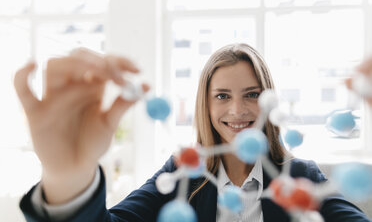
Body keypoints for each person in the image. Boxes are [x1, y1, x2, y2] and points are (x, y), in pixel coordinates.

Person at [14, 45, 371, 222]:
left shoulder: (300, 177)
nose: (237, 111)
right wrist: (67, 178)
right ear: (206, 105)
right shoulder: (182, 174)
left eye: (251, 95)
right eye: (222, 97)